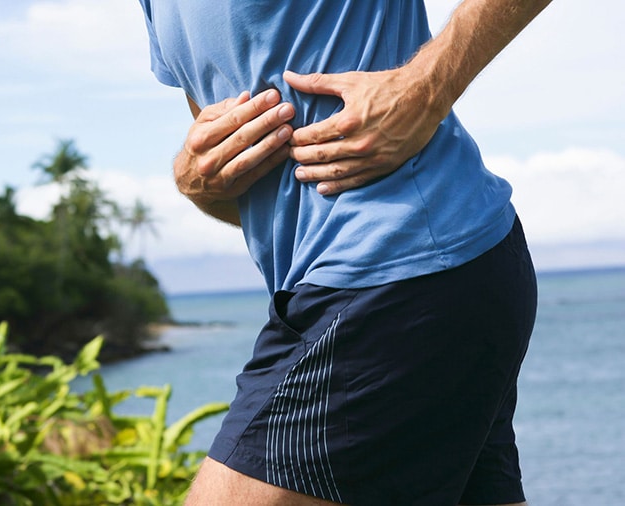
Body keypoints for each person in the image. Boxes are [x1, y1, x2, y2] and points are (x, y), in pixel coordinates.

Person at [137, 0, 552, 505]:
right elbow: (252, 188)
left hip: (399, 267)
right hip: (382, 282)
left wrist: (427, 86)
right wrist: (199, 180)